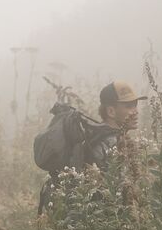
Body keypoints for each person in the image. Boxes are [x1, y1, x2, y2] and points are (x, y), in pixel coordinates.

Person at [34, 79, 145, 211]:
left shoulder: (100, 137)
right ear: (111, 111)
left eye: (135, 105)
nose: (135, 111)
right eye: (129, 106)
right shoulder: (109, 144)